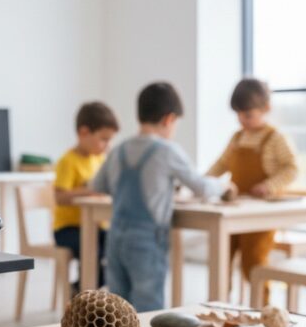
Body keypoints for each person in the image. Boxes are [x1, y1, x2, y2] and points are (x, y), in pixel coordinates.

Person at [92, 82, 235, 311]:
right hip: (147, 241)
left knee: (117, 310)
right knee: (148, 307)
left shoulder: (119, 149)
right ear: (169, 119)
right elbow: (201, 187)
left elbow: (98, 184)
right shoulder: (167, 150)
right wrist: (223, 185)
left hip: (116, 237)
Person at [207, 77, 298, 303]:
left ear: (266, 108)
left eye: (247, 115)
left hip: (261, 215)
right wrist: (203, 181)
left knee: (253, 262)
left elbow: (291, 168)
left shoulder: (275, 138)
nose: (242, 120)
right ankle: (220, 305)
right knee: (222, 256)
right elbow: (221, 164)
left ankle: (262, 308)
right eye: (238, 114)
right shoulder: (237, 138)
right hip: (235, 210)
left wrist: (269, 186)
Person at [54, 102, 119, 290]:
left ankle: (83, 288)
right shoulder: (68, 161)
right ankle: (82, 291)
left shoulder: (99, 159)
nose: (107, 145)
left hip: (96, 226)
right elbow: (59, 197)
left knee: (118, 246)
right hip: (67, 229)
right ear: (84, 133)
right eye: (103, 139)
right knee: (93, 251)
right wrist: (89, 190)